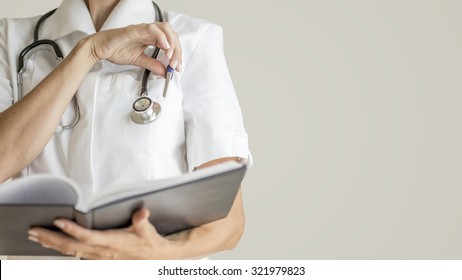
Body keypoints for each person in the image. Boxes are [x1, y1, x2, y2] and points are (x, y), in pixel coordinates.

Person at [0, 0, 249, 259]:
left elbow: (229, 224)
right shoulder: (10, 37)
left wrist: (157, 251)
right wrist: (88, 51)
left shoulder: (193, 38)